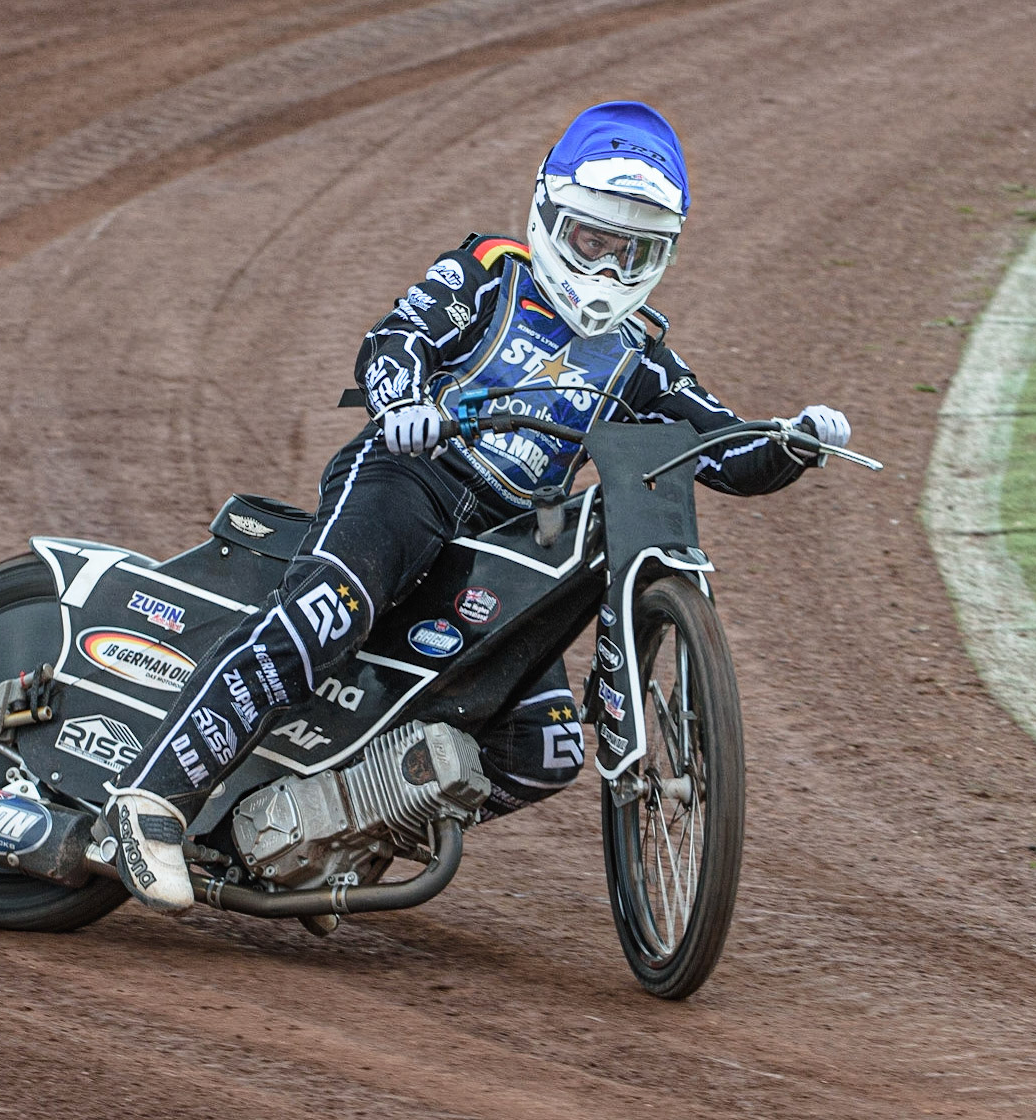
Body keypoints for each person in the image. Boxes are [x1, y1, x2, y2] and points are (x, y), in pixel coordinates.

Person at [105, 101, 851, 913]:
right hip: (410, 479)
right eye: (590, 240)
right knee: (326, 612)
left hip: (508, 541)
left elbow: (720, 449)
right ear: (550, 218)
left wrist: (793, 443)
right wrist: (402, 403)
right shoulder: (487, 273)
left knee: (545, 749)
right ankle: (149, 801)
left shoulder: (641, 356)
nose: (605, 269)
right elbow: (394, 339)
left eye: (628, 251)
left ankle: (329, 830)